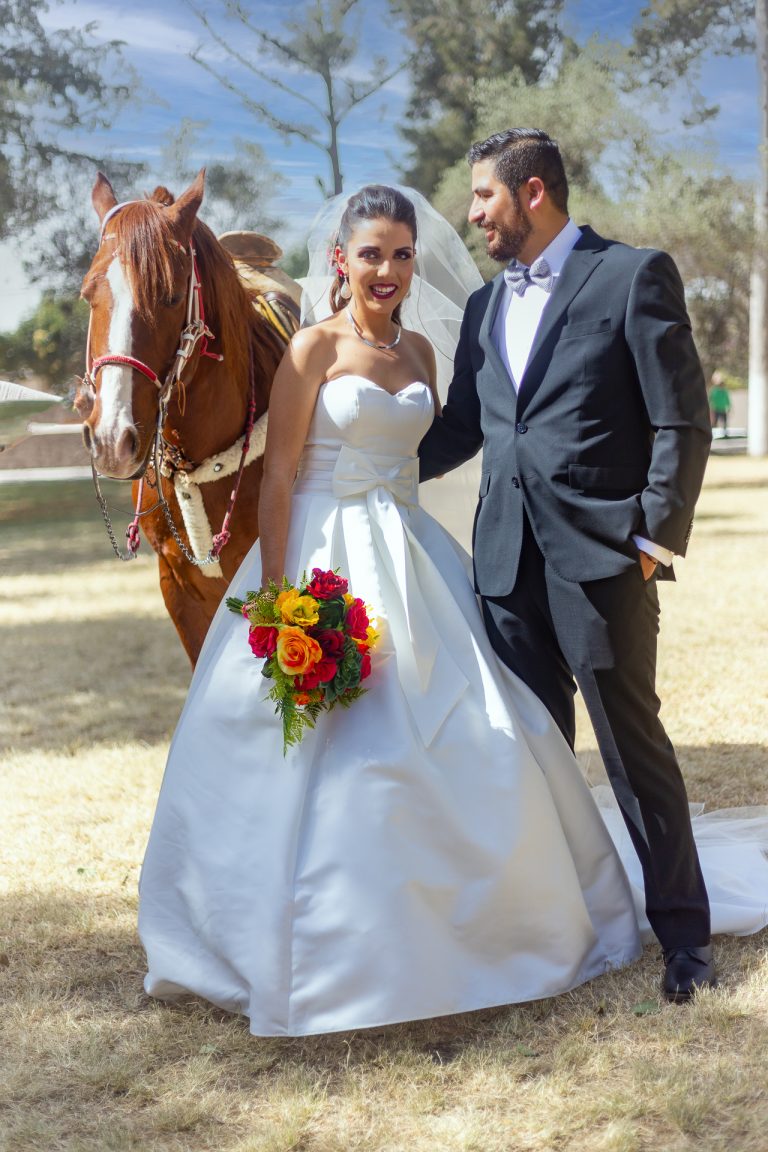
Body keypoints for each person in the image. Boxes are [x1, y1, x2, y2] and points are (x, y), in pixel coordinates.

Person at [138, 185, 646, 1037]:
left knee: (470, 727)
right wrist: (284, 600)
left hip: (410, 556)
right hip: (321, 557)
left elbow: (426, 453)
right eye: (370, 253)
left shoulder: (420, 355)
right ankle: (306, 942)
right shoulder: (310, 350)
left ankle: (481, 927)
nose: (387, 270)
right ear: (340, 259)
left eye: (401, 255)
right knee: (333, 747)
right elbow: (279, 478)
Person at [418, 129, 716, 1001]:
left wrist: (655, 539)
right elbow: (465, 428)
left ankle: (685, 941)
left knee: (633, 751)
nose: (472, 215)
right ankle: (551, 933)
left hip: (602, 562)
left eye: (484, 198)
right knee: (528, 756)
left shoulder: (632, 275)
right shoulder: (481, 308)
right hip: (504, 565)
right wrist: (367, 463)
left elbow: (681, 417)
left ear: (533, 192)